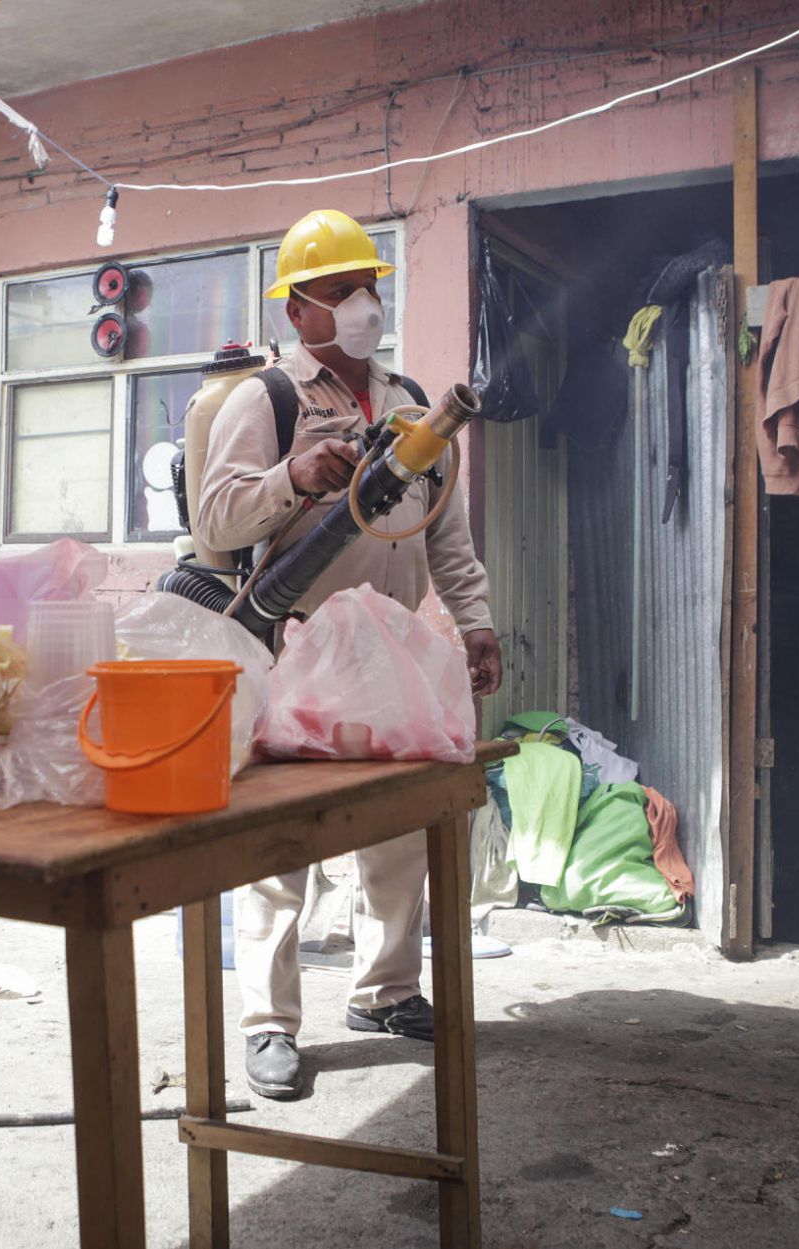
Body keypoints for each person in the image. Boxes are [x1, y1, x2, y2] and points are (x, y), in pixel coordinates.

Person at [196, 208, 502, 1100]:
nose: (364, 304)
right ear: (298, 311)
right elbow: (215, 517)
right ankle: (268, 1024)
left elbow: (447, 535)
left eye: (369, 287)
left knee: (399, 828)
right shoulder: (267, 399)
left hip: (389, 649)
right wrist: (293, 477)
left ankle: (386, 990)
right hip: (294, 647)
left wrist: (474, 621)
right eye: (341, 292)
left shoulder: (411, 407)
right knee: (278, 839)